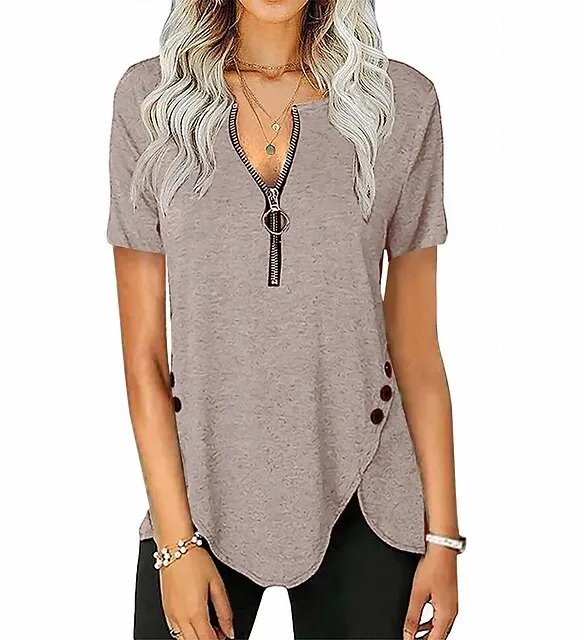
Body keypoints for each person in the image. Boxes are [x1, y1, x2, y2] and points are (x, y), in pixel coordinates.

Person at [106, 1, 464, 638]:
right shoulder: (152, 103)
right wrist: (175, 543)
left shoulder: (400, 105)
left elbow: (416, 349)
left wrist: (443, 536)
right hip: (200, 492)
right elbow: (144, 360)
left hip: (366, 492)